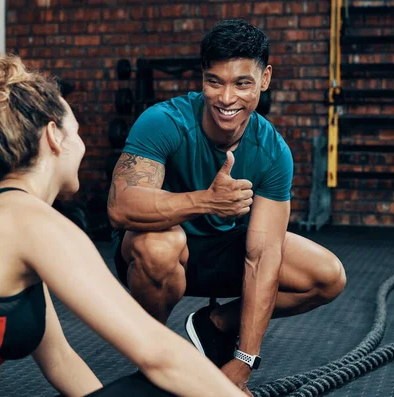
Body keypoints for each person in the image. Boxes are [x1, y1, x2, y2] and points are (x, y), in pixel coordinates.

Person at [0, 53, 248, 397]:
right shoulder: (32, 223)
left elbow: (60, 361)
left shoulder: (1, 219)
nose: (82, 144)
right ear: (54, 136)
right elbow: (157, 352)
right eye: (76, 131)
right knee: (169, 384)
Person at [107, 19, 347, 395]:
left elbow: (263, 256)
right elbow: (120, 208)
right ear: (202, 77)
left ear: (265, 79)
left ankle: (214, 324)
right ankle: (152, 360)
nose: (226, 98)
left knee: (327, 275)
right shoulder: (163, 121)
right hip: (162, 251)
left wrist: (243, 362)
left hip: (227, 251)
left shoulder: (272, 151)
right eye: (215, 82)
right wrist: (207, 201)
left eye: (242, 83)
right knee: (158, 246)